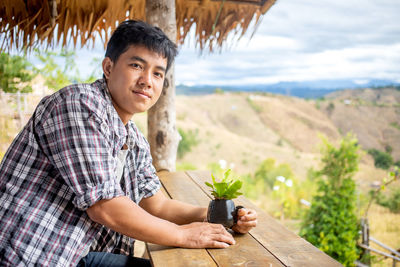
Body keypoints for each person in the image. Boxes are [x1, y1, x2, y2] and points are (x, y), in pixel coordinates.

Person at [0, 20, 257, 266]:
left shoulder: (133, 138)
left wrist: (219, 216)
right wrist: (185, 235)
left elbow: (156, 204)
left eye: (158, 73)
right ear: (109, 67)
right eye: (137, 65)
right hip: (29, 254)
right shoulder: (79, 105)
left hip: (74, 255)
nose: (147, 80)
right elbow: (105, 207)